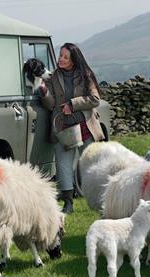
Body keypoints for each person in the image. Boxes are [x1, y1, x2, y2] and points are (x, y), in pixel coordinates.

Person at [39, 42, 105, 214]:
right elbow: (51, 104)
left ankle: (100, 199)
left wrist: (73, 104)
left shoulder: (85, 75)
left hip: (85, 126)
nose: (61, 59)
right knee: (63, 166)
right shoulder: (53, 77)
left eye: (65, 57)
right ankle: (68, 203)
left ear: (74, 60)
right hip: (62, 127)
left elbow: (95, 99)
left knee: (91, 165)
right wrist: (44, 92)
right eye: (60, 55)